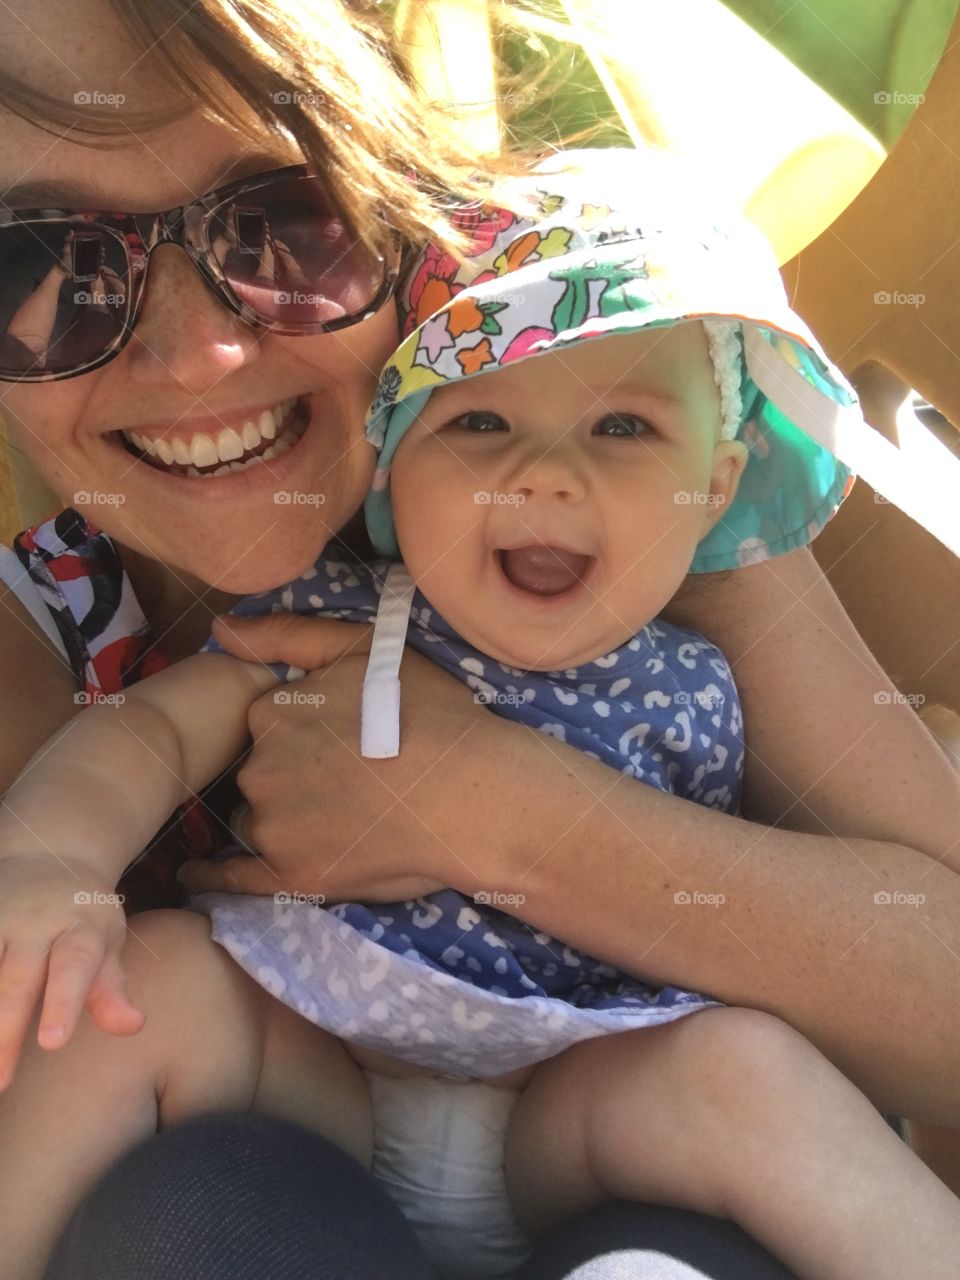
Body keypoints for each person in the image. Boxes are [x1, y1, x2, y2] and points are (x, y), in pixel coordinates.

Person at [0, 1, 958, 1277]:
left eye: (282, 220)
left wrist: (492, 814)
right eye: (37, 264)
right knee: (163, 1134)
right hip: (304, 1098)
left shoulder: (597, 419)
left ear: (397, 191)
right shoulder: (41, 615)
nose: (201, 354)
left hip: (603, 1127)